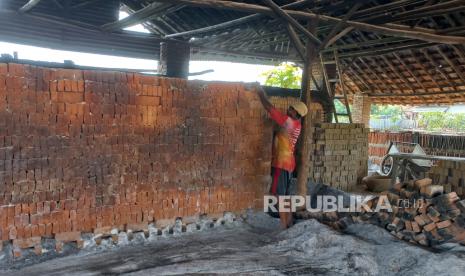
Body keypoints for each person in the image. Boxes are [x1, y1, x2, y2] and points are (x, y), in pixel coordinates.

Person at [256, 87, 308, 229]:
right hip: (288, 164)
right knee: (283, 195)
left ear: (296, 113)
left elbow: (270, 109)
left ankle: (284, 225)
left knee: (279, 195)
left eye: (291, 109)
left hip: (281, 164)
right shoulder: (296, 124)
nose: (288, 110)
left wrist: (261, 94)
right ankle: (288, 222)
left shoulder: (289, 123)